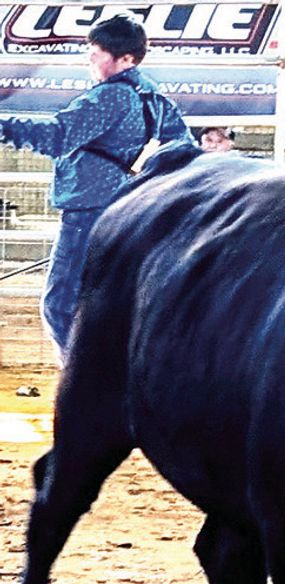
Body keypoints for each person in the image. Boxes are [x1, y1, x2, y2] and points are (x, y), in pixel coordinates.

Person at [0, 13, 189, 358]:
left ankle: (82, 387)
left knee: (61, 305)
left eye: (97, 51)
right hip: (124, 209)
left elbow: (56, 136)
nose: (90, 57)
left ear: (126, 58)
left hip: (88, 211)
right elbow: (183, 144)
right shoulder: (151, 94)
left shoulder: (112, 97)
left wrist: (3, 126)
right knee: (111, 305)